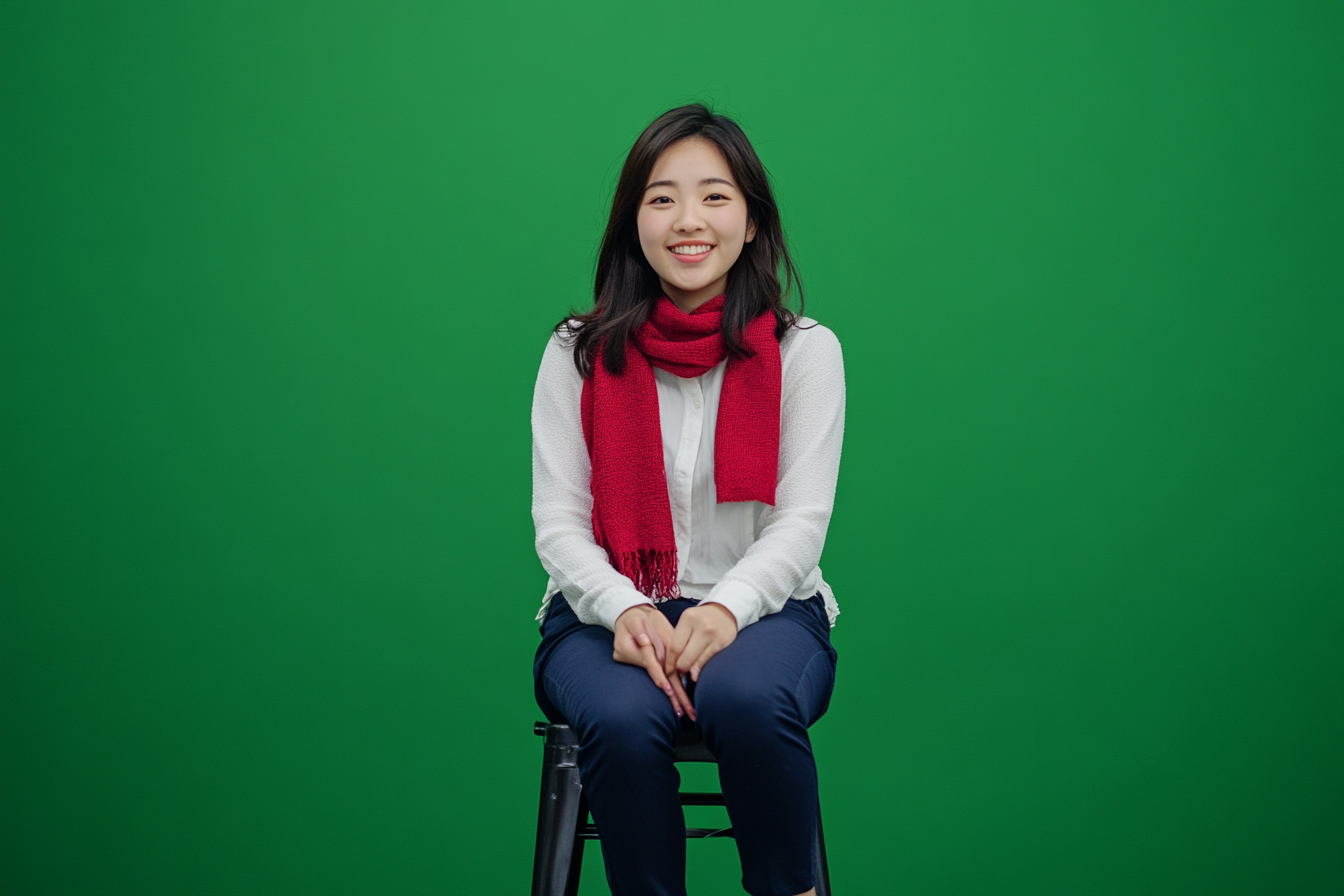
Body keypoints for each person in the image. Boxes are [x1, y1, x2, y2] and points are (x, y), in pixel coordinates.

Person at [530, 103, 845, 896]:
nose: (688, 220)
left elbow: (800, 525)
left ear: (750, 220)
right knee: (624, 718)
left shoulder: (805, 352)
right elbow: (558, 521)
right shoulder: (578, 352)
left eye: (715, 195)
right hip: (604, 614)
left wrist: (725, 610)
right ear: (633, 220)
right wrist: (624, 607)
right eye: (661, 197)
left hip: (765, 614)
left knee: (743, 696)